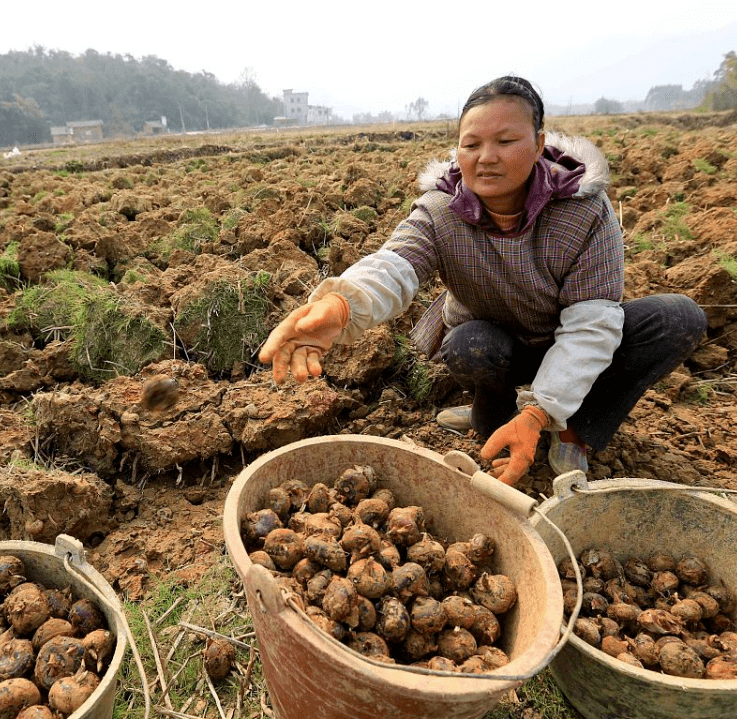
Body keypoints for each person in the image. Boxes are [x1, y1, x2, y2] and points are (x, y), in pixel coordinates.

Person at [258, 76, 707, 486]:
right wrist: (341, 306)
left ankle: (571, 428)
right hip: (498, 344)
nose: (486, 157)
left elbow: (592, 324)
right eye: (470, 144)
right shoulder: (441, 211)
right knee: (470, 345)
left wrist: (539, 413)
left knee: (678, 319)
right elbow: (395, 263)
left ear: (538, 144)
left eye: (506, 140)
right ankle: (489, 412)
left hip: (569, 341)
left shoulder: (584, 212)